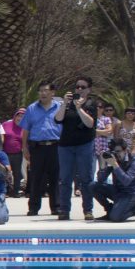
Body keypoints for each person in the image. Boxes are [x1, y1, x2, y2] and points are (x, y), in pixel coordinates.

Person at [55, 76, 97, 221]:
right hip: (66, 146)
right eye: (77, 87)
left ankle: (88, 210)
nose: (79, 89)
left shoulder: (91, 104)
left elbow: (90, 123)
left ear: (89, 90)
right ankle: (64, 210)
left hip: (84, 145)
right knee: (65, 179)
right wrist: (64, 104)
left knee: (86, 178)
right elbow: (58, 119)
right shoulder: (67, 105)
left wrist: (79, 108)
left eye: (82, 87)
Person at [20, 81, 63, 216]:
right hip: (37, 148)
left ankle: (56, 206)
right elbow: (26, 130)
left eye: (46, 90)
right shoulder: (32, 109)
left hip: (55, 147)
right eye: (41, 91)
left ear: (52, 93)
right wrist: (24, 148)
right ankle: (33, 207)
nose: (43, 93)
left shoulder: (60, 107)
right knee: (36, 178)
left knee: (55, 178)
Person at [89, 138, 135, 222]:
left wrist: (115, 165)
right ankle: (109, 210)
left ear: (125, 150)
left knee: (115, 218)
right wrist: (102, 165)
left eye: (118, 151)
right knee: (93, 186)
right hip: (119, 191)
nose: (116, 154)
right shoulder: (113, 160)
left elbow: (126, 181)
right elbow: (101, 180)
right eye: (113, 152)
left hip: (133, 194)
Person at [2, 108, 25, 196]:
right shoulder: (6, 124)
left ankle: (16, 191)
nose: (20, 118)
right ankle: (5, 191)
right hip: (5, 153)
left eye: (23, 116)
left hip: (18, 154)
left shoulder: (25, 128)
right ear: (15, 116)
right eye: (18, 116)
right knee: (5, 172)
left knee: (17, 173)